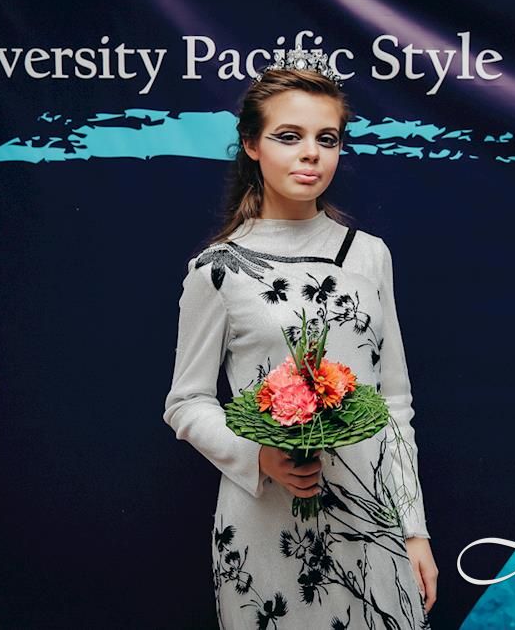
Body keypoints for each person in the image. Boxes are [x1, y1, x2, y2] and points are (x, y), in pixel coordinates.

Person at [164, 50, 437, 629]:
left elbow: (393, 404)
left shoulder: (369, 255)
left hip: (372, 518)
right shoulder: (218, 269)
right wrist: (259, 456)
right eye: (289, 136)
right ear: (251, 144)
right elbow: (186, 402)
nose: (311, 153)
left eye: (327, 139)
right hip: (265, 522)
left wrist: (414, 530)